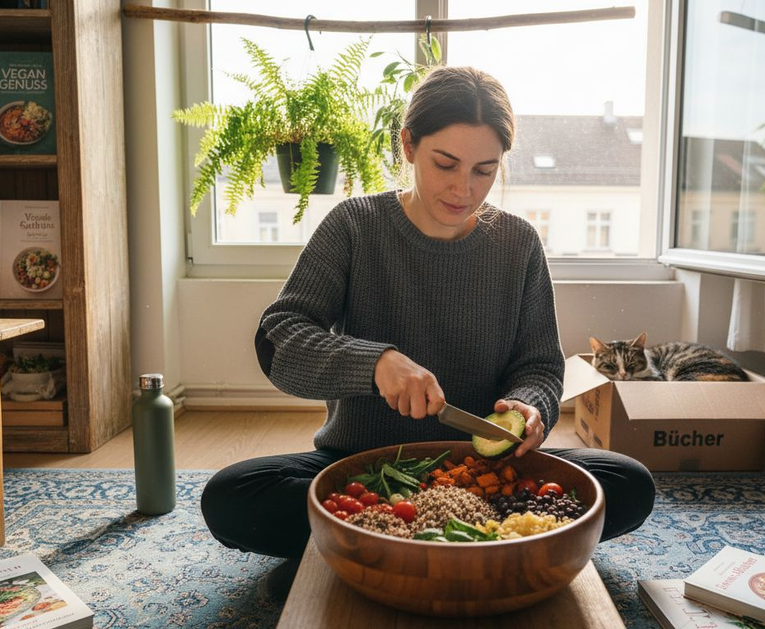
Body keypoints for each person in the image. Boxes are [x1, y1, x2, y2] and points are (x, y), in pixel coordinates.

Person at [201, 66, 655, 559]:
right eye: (446, 164)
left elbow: (540, 366)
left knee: (628, 481)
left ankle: (387, 545)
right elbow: (280, 338)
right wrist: (375, 363)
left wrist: (529, 407)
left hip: (485, 479)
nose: (464, 189)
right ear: (409, 146)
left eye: (484, 170)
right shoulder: (355, 226)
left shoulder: (518, 243)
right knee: (232, 494)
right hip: (364, 472)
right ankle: (461, 548)